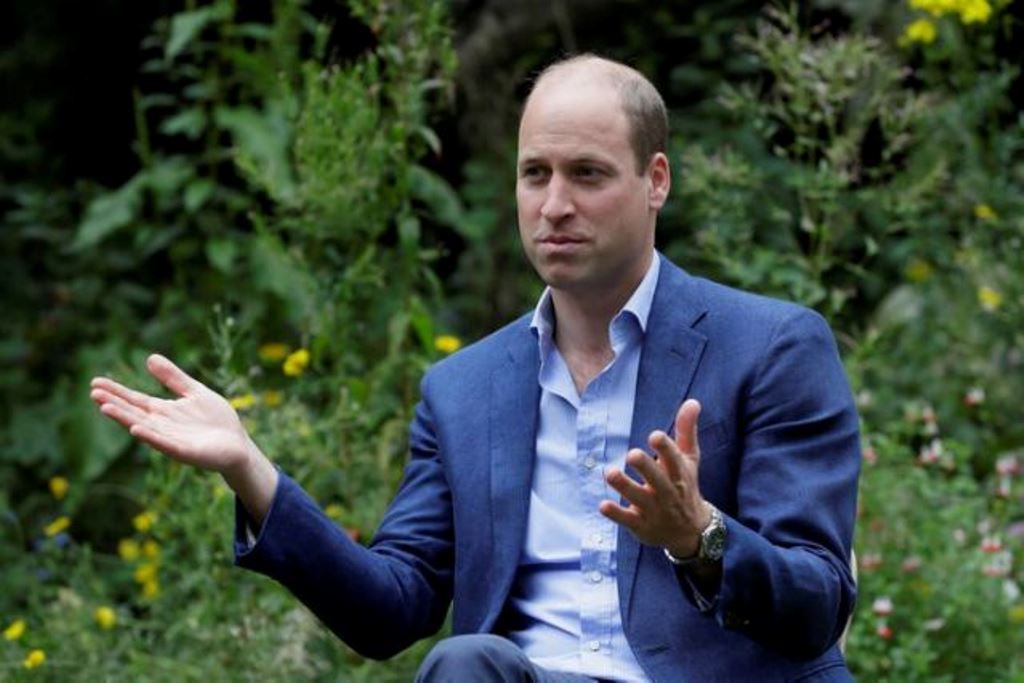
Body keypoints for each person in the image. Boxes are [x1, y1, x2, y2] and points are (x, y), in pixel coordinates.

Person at [91, 55, 860, 682]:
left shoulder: (772, 346)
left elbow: (817, 603)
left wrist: (700, 537)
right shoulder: (464, 388)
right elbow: (391, 609)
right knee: (464, 661)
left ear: (655, 180)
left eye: (587, 174)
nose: (555, 204)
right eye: (535, 174)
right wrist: (250, 469)